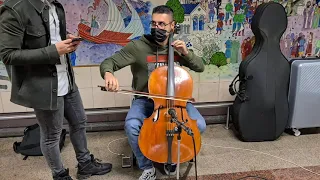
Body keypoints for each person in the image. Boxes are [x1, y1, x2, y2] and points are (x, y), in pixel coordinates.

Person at [0, 0, 112, 179]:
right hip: (43, 86)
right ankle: (59, 175)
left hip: (66, 78)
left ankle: (85, 165)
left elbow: (50, 38)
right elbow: (7, 55)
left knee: (79, 122)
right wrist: (53, 51)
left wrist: (67, 40)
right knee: (52, 135)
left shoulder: (55, 6)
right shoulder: (14, 9)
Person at [100, 5, 206, 180]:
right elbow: (109, 62)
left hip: (177, 102)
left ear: (173, 26)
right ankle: (147, 166)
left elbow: (200, 67)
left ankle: (172, 159)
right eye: (154, 23)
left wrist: (186, 54)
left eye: (162, 24)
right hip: (145, 101)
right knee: (132, 125)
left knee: (199, 125)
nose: (157, 28)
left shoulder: (178, 48)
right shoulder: (138, 47)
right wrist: (108, 74)